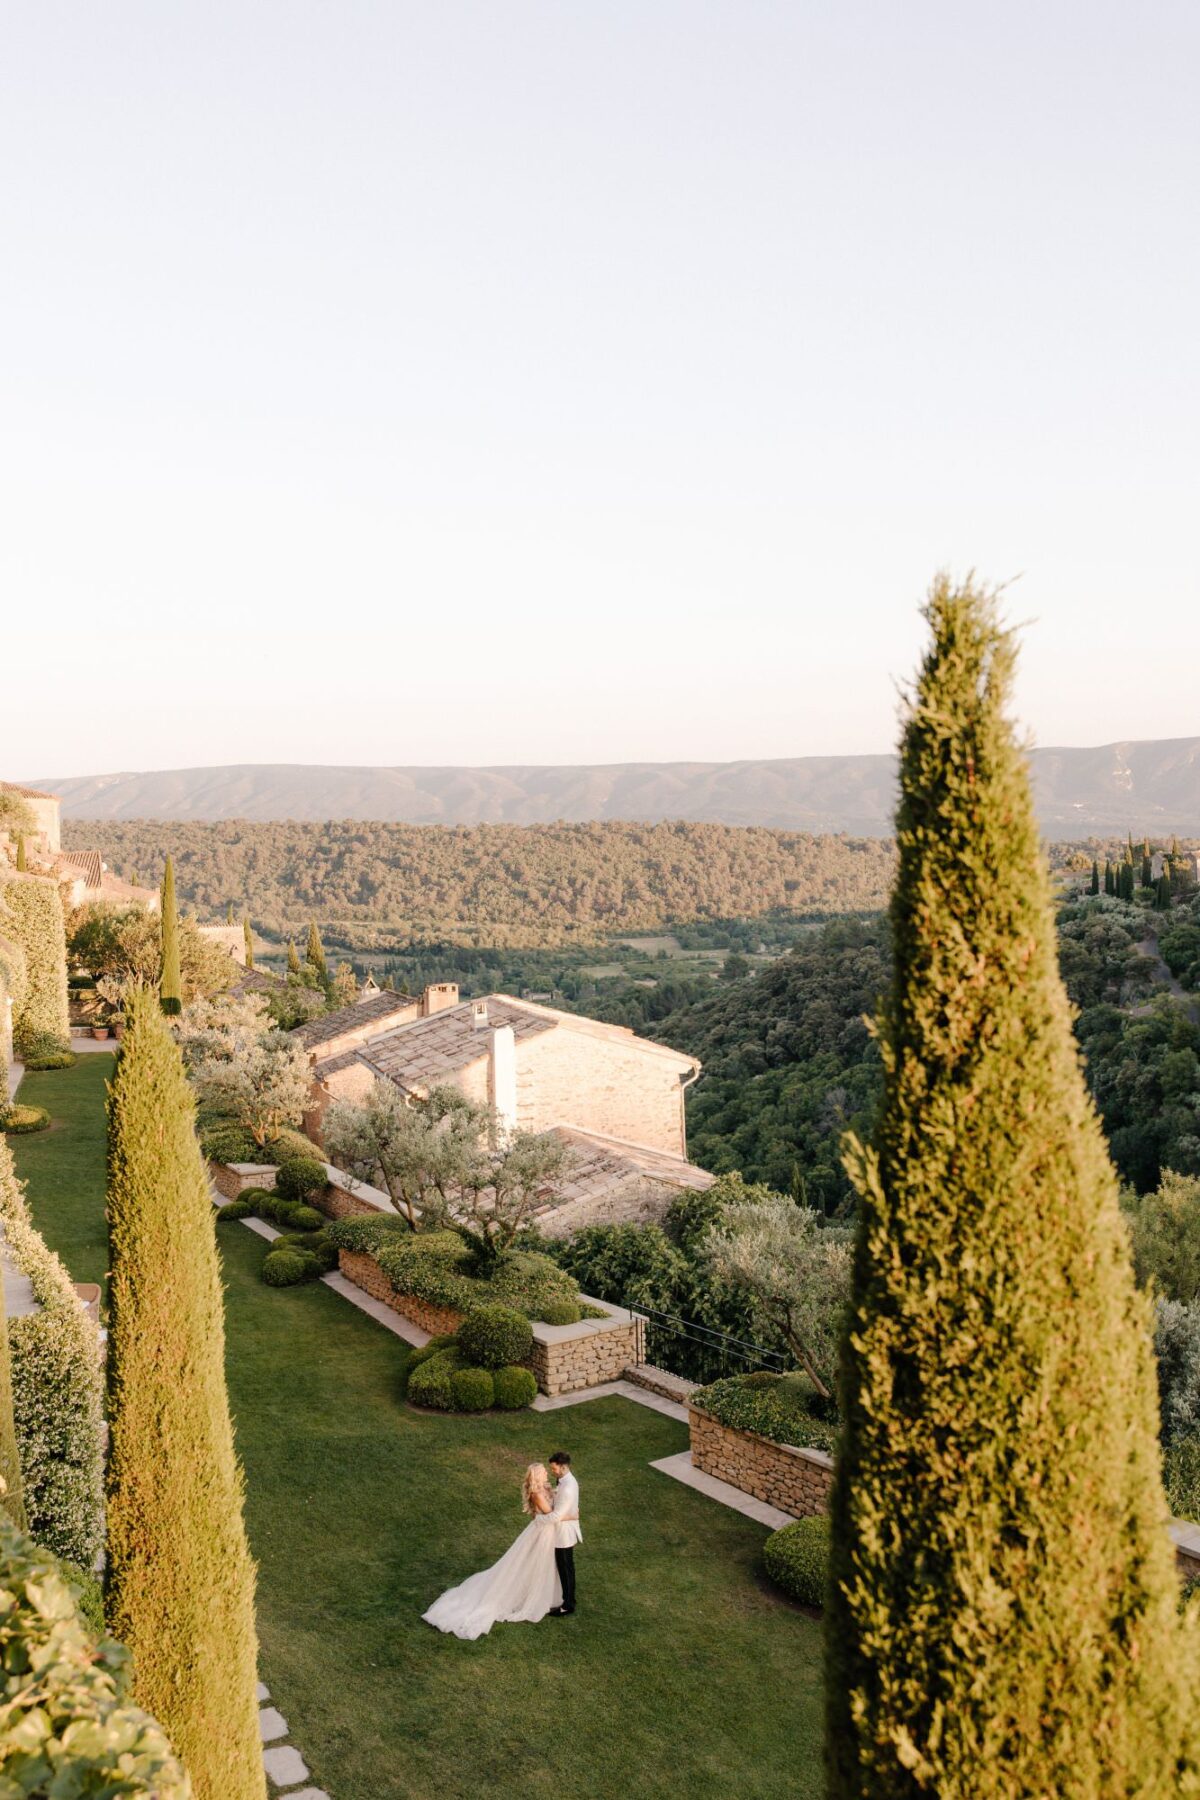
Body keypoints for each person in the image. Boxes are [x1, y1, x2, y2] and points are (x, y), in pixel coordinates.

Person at [422, 1463, 560, 1641]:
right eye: (543, 1472)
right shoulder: (536, 1494)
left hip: (545, 1531)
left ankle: (537, 1591)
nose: (546, 1473)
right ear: (537, 1476)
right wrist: (569, 1512)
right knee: (530, 1562)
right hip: (541, 1533)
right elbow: (551, 1514)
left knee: (541, 1563)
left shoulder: (544, 1488)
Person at [547, 1451, 581, 1617]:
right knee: (565, 1568)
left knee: (566, 1569)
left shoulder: (568, 1487)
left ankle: (568, 1605)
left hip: (564, 1535)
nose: (552, 1471)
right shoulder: (564, 1481)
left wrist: (538, 1519)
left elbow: (556, 1516)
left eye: (554, 1469)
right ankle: (568, 1599)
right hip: (563, 1531)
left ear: (563, 1467)